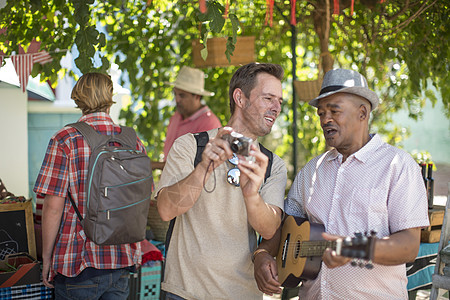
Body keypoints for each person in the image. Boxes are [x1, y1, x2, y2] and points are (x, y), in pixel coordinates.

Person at [253, 68, 429, 299]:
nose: (325, 119)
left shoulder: (397, 166)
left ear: (362, 113)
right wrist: (263, 253)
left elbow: (408, 246)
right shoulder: (311, 172)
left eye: (334, 111)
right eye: (321, 113)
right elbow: (282, 224)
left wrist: (355, 248)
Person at [156, 62, 288, 300]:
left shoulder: (272, 164)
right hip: (184, 293)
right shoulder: (190, 146)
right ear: (240, 97)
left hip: (242, 294)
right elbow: (165, 210)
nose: (276, 108)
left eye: (279, 101)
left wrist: (251, 195)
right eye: (268, 98)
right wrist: (204, 168)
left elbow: (270, 229)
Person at [34, 72, 146, 299]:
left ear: (78, 97)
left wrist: (47, 258)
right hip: (122, 259)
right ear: (110, 96)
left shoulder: (65, 139)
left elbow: (53, 206)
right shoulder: (132, 140)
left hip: (79, 262)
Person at [152, 66, 221, 170]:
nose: (177, 99)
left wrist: (154, 165)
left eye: (182, 95)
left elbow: (196, 166)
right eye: (175, 94)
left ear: (197, 96)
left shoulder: (209, 124)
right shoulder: (177, 115)